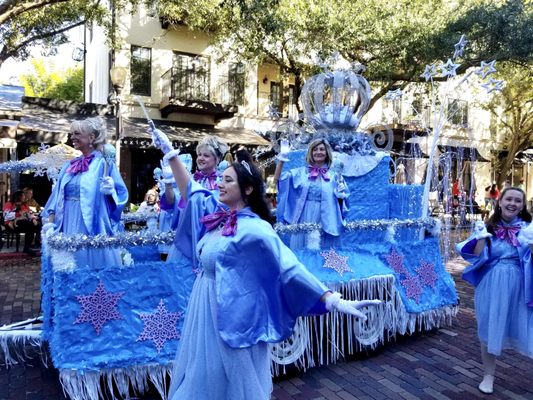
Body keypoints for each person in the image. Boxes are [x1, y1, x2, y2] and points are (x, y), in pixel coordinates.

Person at [149, 127, 380, 400]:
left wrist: (332, 300)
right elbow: (192, 190)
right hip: (205, 306)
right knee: (204, 375)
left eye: (228, 181)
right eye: (220, 179)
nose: (220, 184)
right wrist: (170, 153)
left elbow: (289, 267)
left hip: (229, 313)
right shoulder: (220, 213)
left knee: (227, 379)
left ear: (247, 189)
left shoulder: (255, 229)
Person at [456, 186, 533, 394]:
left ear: (522, 205)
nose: (513, 203)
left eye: (518, 200)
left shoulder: (529, 227)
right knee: (490, 327)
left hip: (521, 283)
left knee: (525, 325)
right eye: (509, 199)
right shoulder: (488, 226)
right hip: (492, 282)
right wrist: (481, 236)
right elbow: (478, 257)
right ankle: (488, 375)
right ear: (500, 202)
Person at [42, 116, 128, 267]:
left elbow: (121, 196)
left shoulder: (104, 164)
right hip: (66, 222)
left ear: (91, 137)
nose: (72, 137)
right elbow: (56, 198)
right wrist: (50, 225)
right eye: (71, 134)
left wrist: (111, 191)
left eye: (76, 134)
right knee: (67, 264)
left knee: (87, 263)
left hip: (91, 225)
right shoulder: (69, 165)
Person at [273, 138, 348, 249]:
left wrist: (341, 196)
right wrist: (282, 159)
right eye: (315, 149)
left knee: (323, 250)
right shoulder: (300, 173)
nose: (318, 152)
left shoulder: (334, 176)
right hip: (303, 214)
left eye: (322, 149)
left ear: (327, 153)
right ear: (310, 153)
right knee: (301, 249)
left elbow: (343, 201)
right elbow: (278, 180)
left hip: (326, 217)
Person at [3, 190, 41, 254]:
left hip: (24, 223)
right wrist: (19, 214)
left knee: (37, 224)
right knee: (29, 225)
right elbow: (6, 216)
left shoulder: (25, 205)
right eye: (23, 195)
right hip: (11, 224)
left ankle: (35, 244)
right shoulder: (9, 204)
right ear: (18, 196)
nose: (24, 197)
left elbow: (29, 214)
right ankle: (27, 248)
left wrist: (33, 219)